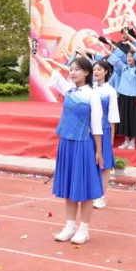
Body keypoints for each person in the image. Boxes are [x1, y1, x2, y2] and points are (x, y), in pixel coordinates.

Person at [33, 52, 103, 245]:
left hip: (84, 145)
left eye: (76, 69)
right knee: (70, 187)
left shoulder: (93, 95)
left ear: (86, 72)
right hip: (66, 144)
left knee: (85, 188)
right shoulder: (69, 89)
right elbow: (52, 72)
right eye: (71, 69)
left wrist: (98, 152)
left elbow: (96, 126)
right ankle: (70, 226)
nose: (72, 72)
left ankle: (84, 230)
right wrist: (36, 56)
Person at [91, 61, 120, 209]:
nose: (96, 72)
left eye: (99, 69)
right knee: (90, 162)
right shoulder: (89, 88)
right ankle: (91, 194)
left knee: (105, 164)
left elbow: (113, 116)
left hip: (104, 129)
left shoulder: (110, 91)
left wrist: (111, 137)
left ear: (106, 72)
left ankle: (101, 196)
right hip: (88, 130)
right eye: (94, 69)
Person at [105, 43, 136, 150]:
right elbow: (115, 60)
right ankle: (126, 140)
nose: (129, 58)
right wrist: (105, 47)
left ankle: (133, 141)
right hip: (123, 96)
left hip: (134, 97)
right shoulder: (124, 67)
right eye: (127, 56)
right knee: (124, 118)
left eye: (131, 56)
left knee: (133, 119)